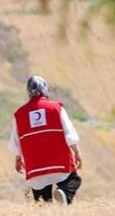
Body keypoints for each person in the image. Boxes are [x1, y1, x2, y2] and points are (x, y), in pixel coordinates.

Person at [9, 75, 83, 205]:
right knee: (73, 180)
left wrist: (18, 159)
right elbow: (69, 133)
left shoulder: (19, 114)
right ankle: (64, 193)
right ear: (45, 89)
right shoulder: (56, 108)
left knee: (43, 204)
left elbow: (16, 141)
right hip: (60, 163)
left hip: (35, 166)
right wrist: (77, 153)